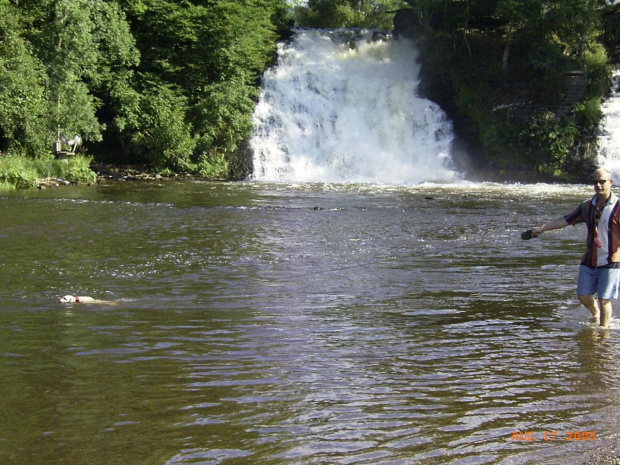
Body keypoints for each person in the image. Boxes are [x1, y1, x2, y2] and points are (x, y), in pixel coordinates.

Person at [531, 168, 620, 328]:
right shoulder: (587, 206)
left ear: (611, 183)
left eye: (602, 182)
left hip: (611, 260)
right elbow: (565, 220)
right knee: (583, 295)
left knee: (604, 299)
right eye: (595, 182)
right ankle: (596, 314)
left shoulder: (619, 206)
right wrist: (542, 228)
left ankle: (603, 333)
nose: (599, 185)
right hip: (589, 259)